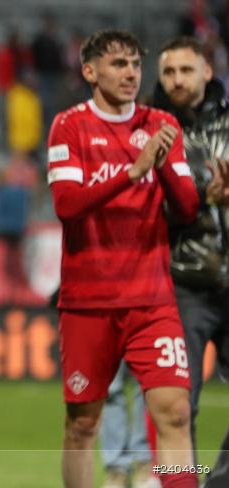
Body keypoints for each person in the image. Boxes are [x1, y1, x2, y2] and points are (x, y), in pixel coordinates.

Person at [47, 30, 200, 488]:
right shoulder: (69, 126)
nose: (130, 72)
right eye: (118, 64)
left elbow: (188, 207)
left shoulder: (159, 124)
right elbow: (67, 205)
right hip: (87, 302)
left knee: (174, 414)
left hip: (152, 301)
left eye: (135, 63)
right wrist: (133, 173)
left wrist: (163, 164)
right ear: (90, 71)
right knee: (82, 425)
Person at [153, 36, 229, 488]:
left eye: (185, 70)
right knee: (179, 406)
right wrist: (203, 195)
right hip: (182, 284)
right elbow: (140, 206)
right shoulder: (152, 129)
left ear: (207, 70)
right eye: (168, 72)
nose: (177, 80)